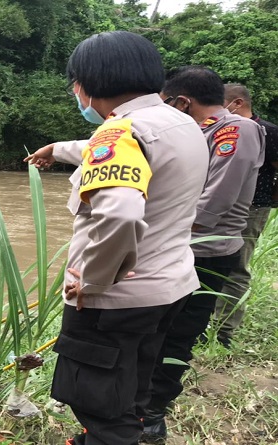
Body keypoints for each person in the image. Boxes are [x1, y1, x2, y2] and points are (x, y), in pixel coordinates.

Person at [24, 32, 208, 445]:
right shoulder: (181, 123)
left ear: (86, 84)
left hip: (116, 302)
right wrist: (57, 148)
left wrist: (93, 282)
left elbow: (120, 212)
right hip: (169, 287)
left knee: (100, 402)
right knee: (134, 382)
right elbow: (107, 150)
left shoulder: (121, 133)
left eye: (74, 83)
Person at [141, 67, 265, 442]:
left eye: (169, 104)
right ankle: (142, 402)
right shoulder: (200, 130)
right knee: (157, 330)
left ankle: (151, 415)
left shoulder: (235, 130)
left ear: (183, 101)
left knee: (178, 334)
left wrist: (163, 230)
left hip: (206, 249)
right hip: (183, 245)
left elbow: (216, 201)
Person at [213, 83, 278, 347]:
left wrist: (267, 201)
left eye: (221, 105)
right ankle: (206, 320)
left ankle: (223, 332)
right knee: (209, 262)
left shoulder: (268, 132)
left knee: (236, 267)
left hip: (251, 208)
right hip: (218, 206)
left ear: (237, 103)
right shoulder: (221, 130)